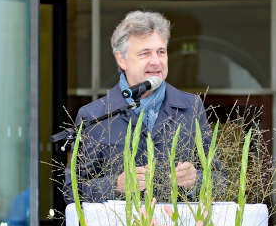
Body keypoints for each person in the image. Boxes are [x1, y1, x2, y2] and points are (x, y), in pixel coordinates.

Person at [65, 10, 217, 203]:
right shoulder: (94, 115)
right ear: (122, 59)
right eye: (145, 53)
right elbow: (71, 191)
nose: (156, 61)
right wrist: (115, 185)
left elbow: (221, 180)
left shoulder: (191, 106)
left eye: (161, 52)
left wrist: (196, 180)